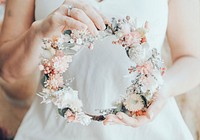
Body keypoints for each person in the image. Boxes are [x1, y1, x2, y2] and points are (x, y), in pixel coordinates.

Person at [0, 0, 200, 139]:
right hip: (50, 131)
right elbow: (7, 70)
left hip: (149, 132)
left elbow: (192, 59)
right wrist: (39, 32)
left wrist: (162, 89)